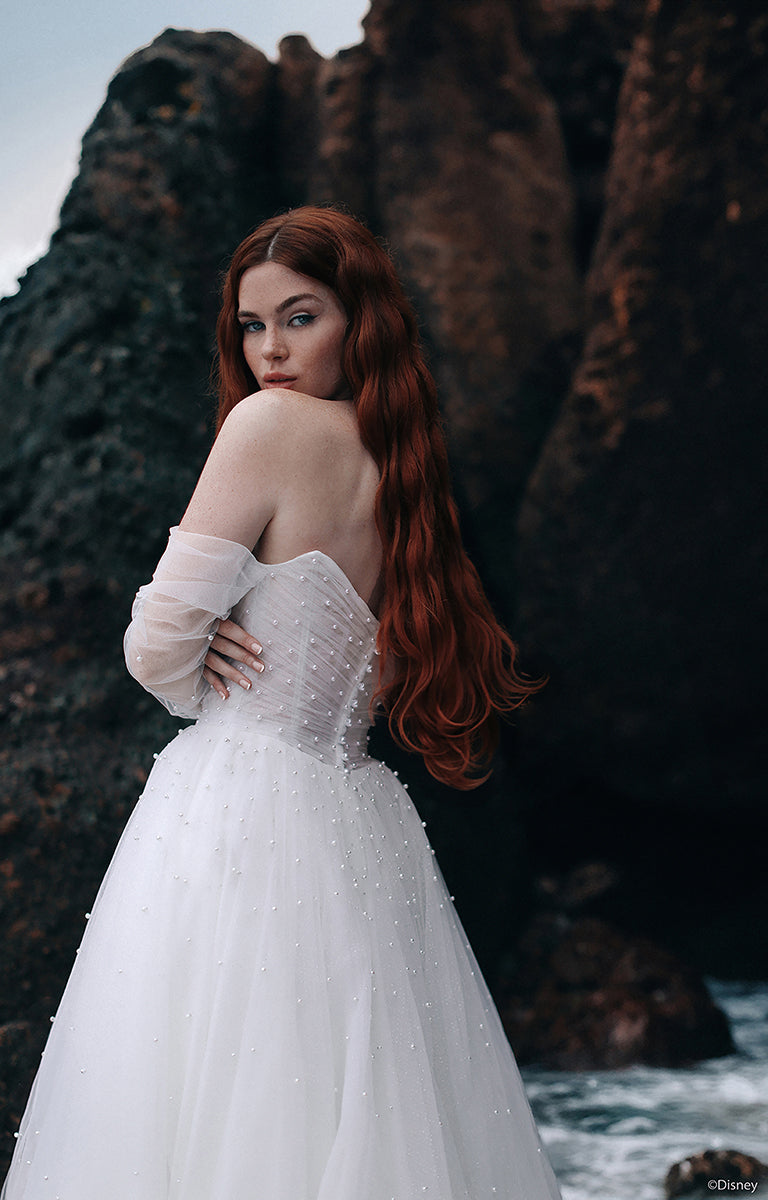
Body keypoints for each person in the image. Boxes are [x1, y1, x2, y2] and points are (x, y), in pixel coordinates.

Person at [3, 206, 561, 1199]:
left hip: (242, 799)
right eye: (251, 325)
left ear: (362, 319)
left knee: (206, 1100)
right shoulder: (407, 475)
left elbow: (154, 645)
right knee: (351, 1096)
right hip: (354, 811)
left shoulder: (265, 427)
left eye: (299, 318)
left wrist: (191, 655)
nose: (269, 350)